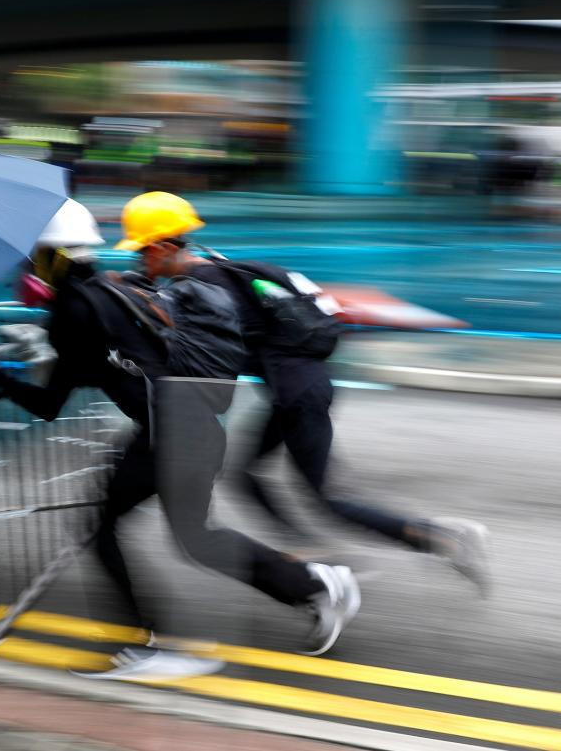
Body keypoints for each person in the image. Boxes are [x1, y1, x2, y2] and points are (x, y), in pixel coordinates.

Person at [0, 198, 361, 679]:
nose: (26, 268)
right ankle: (315, 585)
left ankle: (156, 644)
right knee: (196, 539)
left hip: (171, 435)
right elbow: (108, 366)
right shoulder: (107, 291)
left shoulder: (73, 311)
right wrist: (43, 352)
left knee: (106, 528)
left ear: (54, 257)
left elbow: (49, 405)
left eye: (32, 258)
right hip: (191, 427)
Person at [114, 191, 490, 594]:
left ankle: (442, 538)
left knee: (328, 499)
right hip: (296, 387)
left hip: (298, 394)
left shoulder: (202, 287)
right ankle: (309, 552)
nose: (141, 260)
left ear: (165, 247)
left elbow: (204, 359)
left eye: (143, 252)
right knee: (246, 474)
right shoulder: (220, 268)